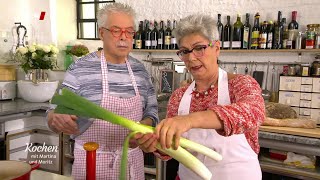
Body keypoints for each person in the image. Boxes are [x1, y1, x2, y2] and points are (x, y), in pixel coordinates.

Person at [135, 14, 265, 180]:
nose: (191, 58)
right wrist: (156, 145)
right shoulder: (179, 96)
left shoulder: (240, 84)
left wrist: (189, 120)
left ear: (216, 48)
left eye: (199, 48)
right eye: (184, 51)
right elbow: (173, 149)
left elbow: (253, 113)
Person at [47, 3, 159, 180]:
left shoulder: (140, 71)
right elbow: (54, 110)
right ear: (102, 33)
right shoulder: (80, 68)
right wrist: (55, 117)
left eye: (129, 31)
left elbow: (152, 110)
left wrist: (144, 126)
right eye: (116, 30)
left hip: (131, 165)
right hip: (91, 162)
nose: (124, 37)